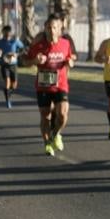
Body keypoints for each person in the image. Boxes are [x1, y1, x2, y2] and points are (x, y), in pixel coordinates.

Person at [25, 12, 76, 156]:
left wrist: (70, 62)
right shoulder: (38, 45)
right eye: (48, 27)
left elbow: (69, 58)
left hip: (61, 85)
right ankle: (47, 143)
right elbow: (26, 61)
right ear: (45, 28)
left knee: (63, 115)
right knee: (45, 116)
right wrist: (35, 61)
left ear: (60, 29)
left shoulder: (65, 43)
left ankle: (56, 134)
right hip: (43, 86)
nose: (51, 30)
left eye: (54, 28)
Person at [0, 25, 25, 108]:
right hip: (4, 65)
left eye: (8, 32)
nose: (7, 34)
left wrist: (17, 54)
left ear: (11, 33)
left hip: (13, 65)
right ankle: (8, 101)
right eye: (5, 32)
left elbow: (23, 49)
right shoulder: (0, 42)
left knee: (14, 86)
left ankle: (8, 94)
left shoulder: (15, 41)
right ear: (3, 32)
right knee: (7, 81)